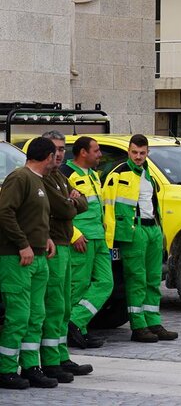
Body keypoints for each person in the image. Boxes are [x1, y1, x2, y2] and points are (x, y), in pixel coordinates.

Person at [103, 134, 178, 342]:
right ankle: (138, 326)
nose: (138, 156)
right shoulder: (118, 173)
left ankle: (153, 321)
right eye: (134, 152)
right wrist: (110, 239)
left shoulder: (148, 174)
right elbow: (107, 206)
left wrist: (159, 231)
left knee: (153, 279)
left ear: (147, 153)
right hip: (133, 232)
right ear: (128, 151)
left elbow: (152, 204)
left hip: (151, 229)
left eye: (142, 153)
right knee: (136, 280)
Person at [0, 137, 59, 390]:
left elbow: (31, 216)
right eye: (55, 153)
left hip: (37, 256)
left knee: (36, 315)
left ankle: (31, 366)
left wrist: (44, 238)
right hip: (16, 257)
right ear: (46, 156)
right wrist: (23, 244)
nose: (57, 157)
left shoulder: (40, 181)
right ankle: (6, 369)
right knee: (18, 316)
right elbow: (5, 212)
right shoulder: (20, 178)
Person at [39, 132, 89, 383]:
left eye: (62, 148)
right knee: (55, 305)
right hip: (53, 247)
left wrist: (74, 201)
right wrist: (72, 202)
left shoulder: (59, 175)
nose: (59, 154)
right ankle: (50, 361)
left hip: (64, 244)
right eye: (55, 149)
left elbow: (84, 202)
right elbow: (63, 208)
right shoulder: (45, 178)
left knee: (65, 305)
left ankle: (61, 356)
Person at [60, 136, 110, 351]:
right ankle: (76, 332)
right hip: (81, 239)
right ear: (83, 153)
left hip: (98, 237)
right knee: (77, 287)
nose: (99, 154)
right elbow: (60, 210)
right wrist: (74, 234)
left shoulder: (93, 175)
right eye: (96, 150)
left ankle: (75, 323)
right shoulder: (66, 174)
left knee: (106, 283)